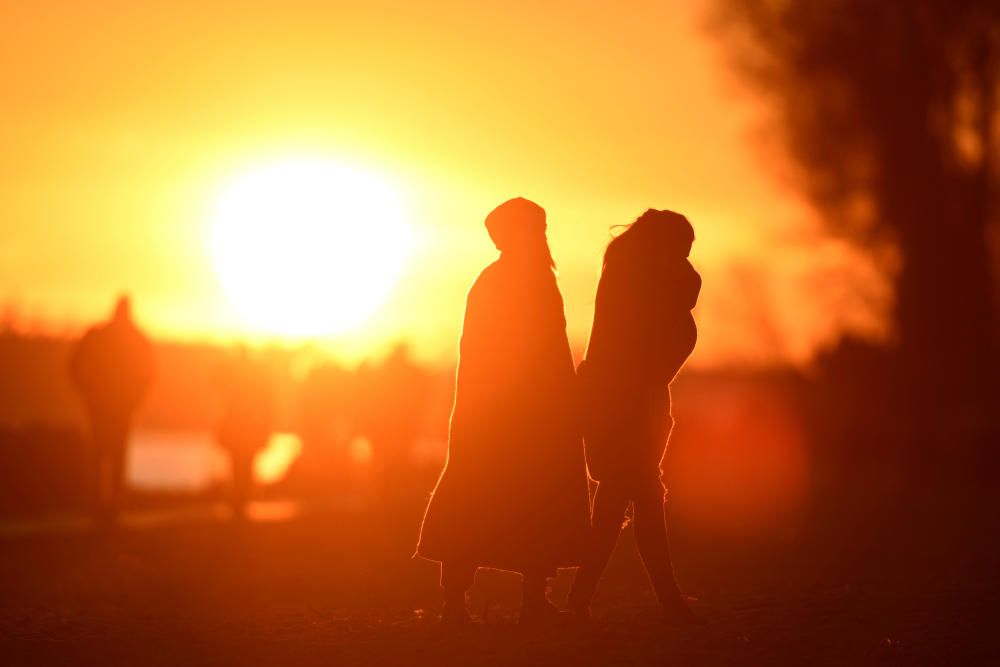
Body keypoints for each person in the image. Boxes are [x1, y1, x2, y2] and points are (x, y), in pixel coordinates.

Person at [416, 197, 591, 625]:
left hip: (509, 415)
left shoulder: (508, 279)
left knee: (496, 499)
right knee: (498, 498)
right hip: (512, 416)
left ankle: (496, 600)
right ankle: (465, 603)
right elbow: (514, 354)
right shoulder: (514, 280)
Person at [567, 209, 702, 624]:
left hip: (627, 398)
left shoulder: (628, 271)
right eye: (681, 249)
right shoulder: (643, 282)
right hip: (631, 401)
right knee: (635, 493)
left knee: (627, 495)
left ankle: (588, 600)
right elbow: (685, 294)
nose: (685, 258)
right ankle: (663, 599)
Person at [68, 294, 155, 524]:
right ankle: (109, 507)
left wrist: (89, 396)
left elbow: (75, 366)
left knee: (103, 455)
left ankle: (104, 507)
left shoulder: (100, 336)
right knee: (113, 456)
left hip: (108, 408)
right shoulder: (135, 339)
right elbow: (150, 374)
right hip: (114, 408)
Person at [216, 346, 275, 520]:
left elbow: (267, 402)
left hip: (245, 426)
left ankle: (240, 501)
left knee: (241, 463)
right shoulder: (255, 374)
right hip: (247, 426)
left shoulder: (243, 375)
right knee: (243, 463)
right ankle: (240, 500)